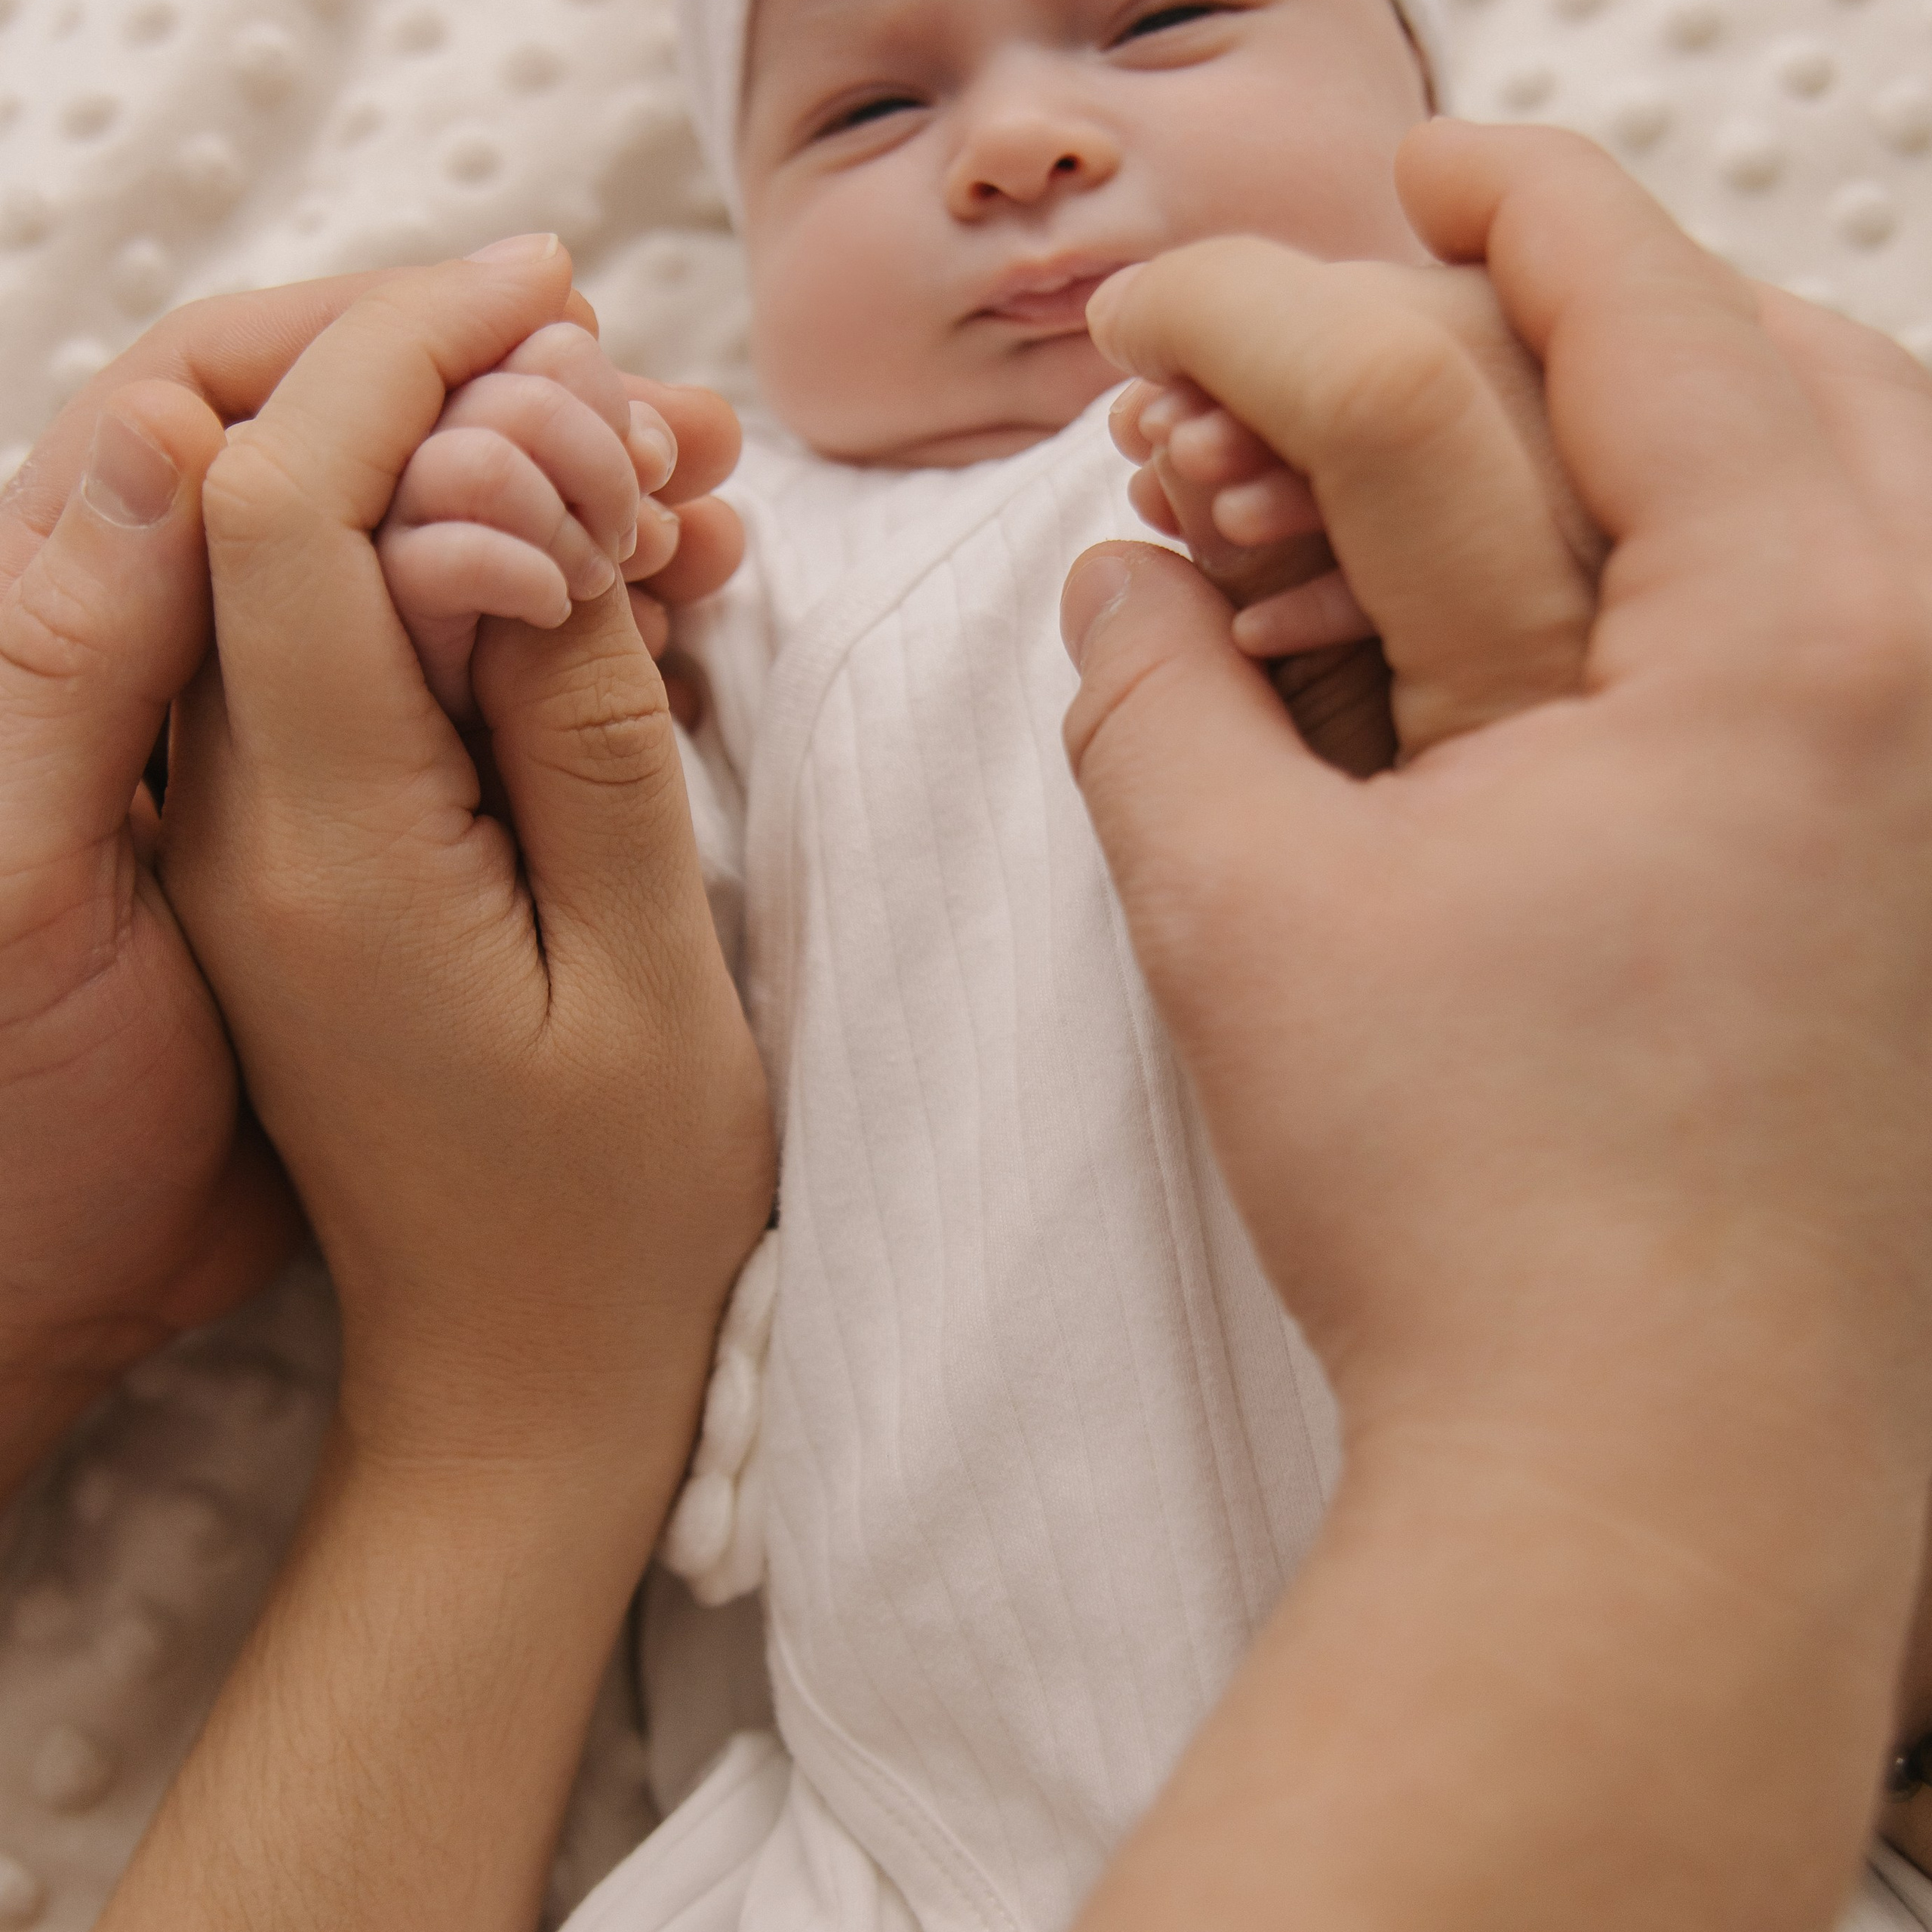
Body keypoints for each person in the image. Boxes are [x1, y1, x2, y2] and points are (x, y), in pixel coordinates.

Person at [22, 114, 1930, 1931]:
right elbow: (600, 904)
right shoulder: (778, 557)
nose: (1019, 145)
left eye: (1172, 21)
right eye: (862, 113)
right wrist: (493, 562)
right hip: (902, 1816)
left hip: (1740, 1777)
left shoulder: (1635, 512)